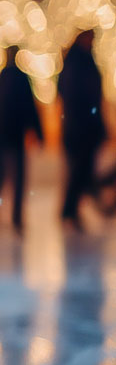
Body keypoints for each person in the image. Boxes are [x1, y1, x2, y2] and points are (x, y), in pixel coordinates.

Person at [0, 46, 43, 233]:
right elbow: (30, 108)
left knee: (1, 177)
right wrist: (38, 133)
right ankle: (15, 219)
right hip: (14, 136)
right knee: (17, 178)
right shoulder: (20, 79)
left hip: (1, 137)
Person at [57, 30, 107, 232]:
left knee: (80, 172)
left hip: (80, 128)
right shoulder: (79, 63)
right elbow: (85, 97)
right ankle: (70, 211)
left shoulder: (77, 62)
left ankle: (72, 210)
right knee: (79, 172)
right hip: (81, 129)